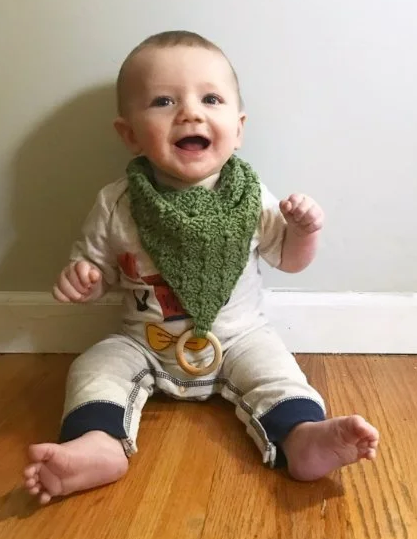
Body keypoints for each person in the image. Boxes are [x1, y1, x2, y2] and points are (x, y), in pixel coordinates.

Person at [24, 31, 380, 505]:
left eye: (211, 99)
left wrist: (304, 232)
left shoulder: (251, 198)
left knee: (278, 372)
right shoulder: (118, 203)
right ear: (129, 134)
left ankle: (303, 438)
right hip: (143, 343)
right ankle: (98, 444)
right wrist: (82, 277)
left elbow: (288, 261)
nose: (190, 112)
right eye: (164, 101)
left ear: (238, 127)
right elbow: (96, 265)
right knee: (94, 366)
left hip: (238, 338)